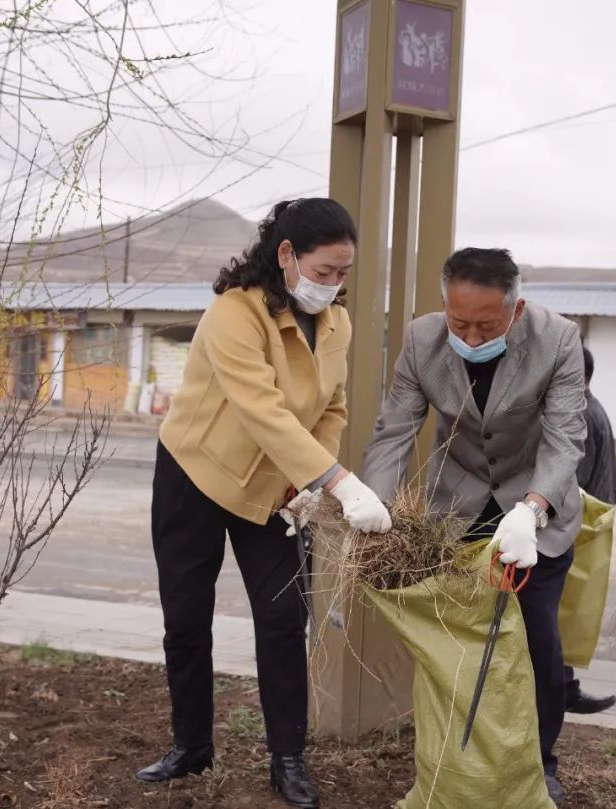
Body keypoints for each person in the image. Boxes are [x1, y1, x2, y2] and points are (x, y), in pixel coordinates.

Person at [136, 198, 392, 809]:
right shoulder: (233, 313)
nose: (334, 285)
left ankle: (287, 761)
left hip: (277, 489)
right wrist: (338, 483)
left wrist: (305, 483)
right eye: (325, 271)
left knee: (282, 622)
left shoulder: (338, 324)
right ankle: (191, 747)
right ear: (286, 256)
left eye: (342, 274)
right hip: (196, 473)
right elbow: (261, 409)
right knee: (187, 619)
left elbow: (330, 408)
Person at [361, 247, 587, 806]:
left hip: (534, 508)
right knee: (455, 645)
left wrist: (531, 511)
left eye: (486, 324)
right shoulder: (422, 339)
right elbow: (395, 431)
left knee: (535, 642)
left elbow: (565, 440)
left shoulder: (558, 340)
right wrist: (370, 509)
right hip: (455, 508)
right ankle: (457, 761)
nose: (470, 333)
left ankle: (540, 762)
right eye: (459, 321)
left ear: (516, 309)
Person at [563, 345, 616, 715]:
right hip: (589, 522)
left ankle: (564, 690)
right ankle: (565, 688)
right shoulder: (591, 406)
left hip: (578, 523)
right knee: (567, 610)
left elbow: (570, 478)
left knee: (563, 610)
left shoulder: (579, 411)